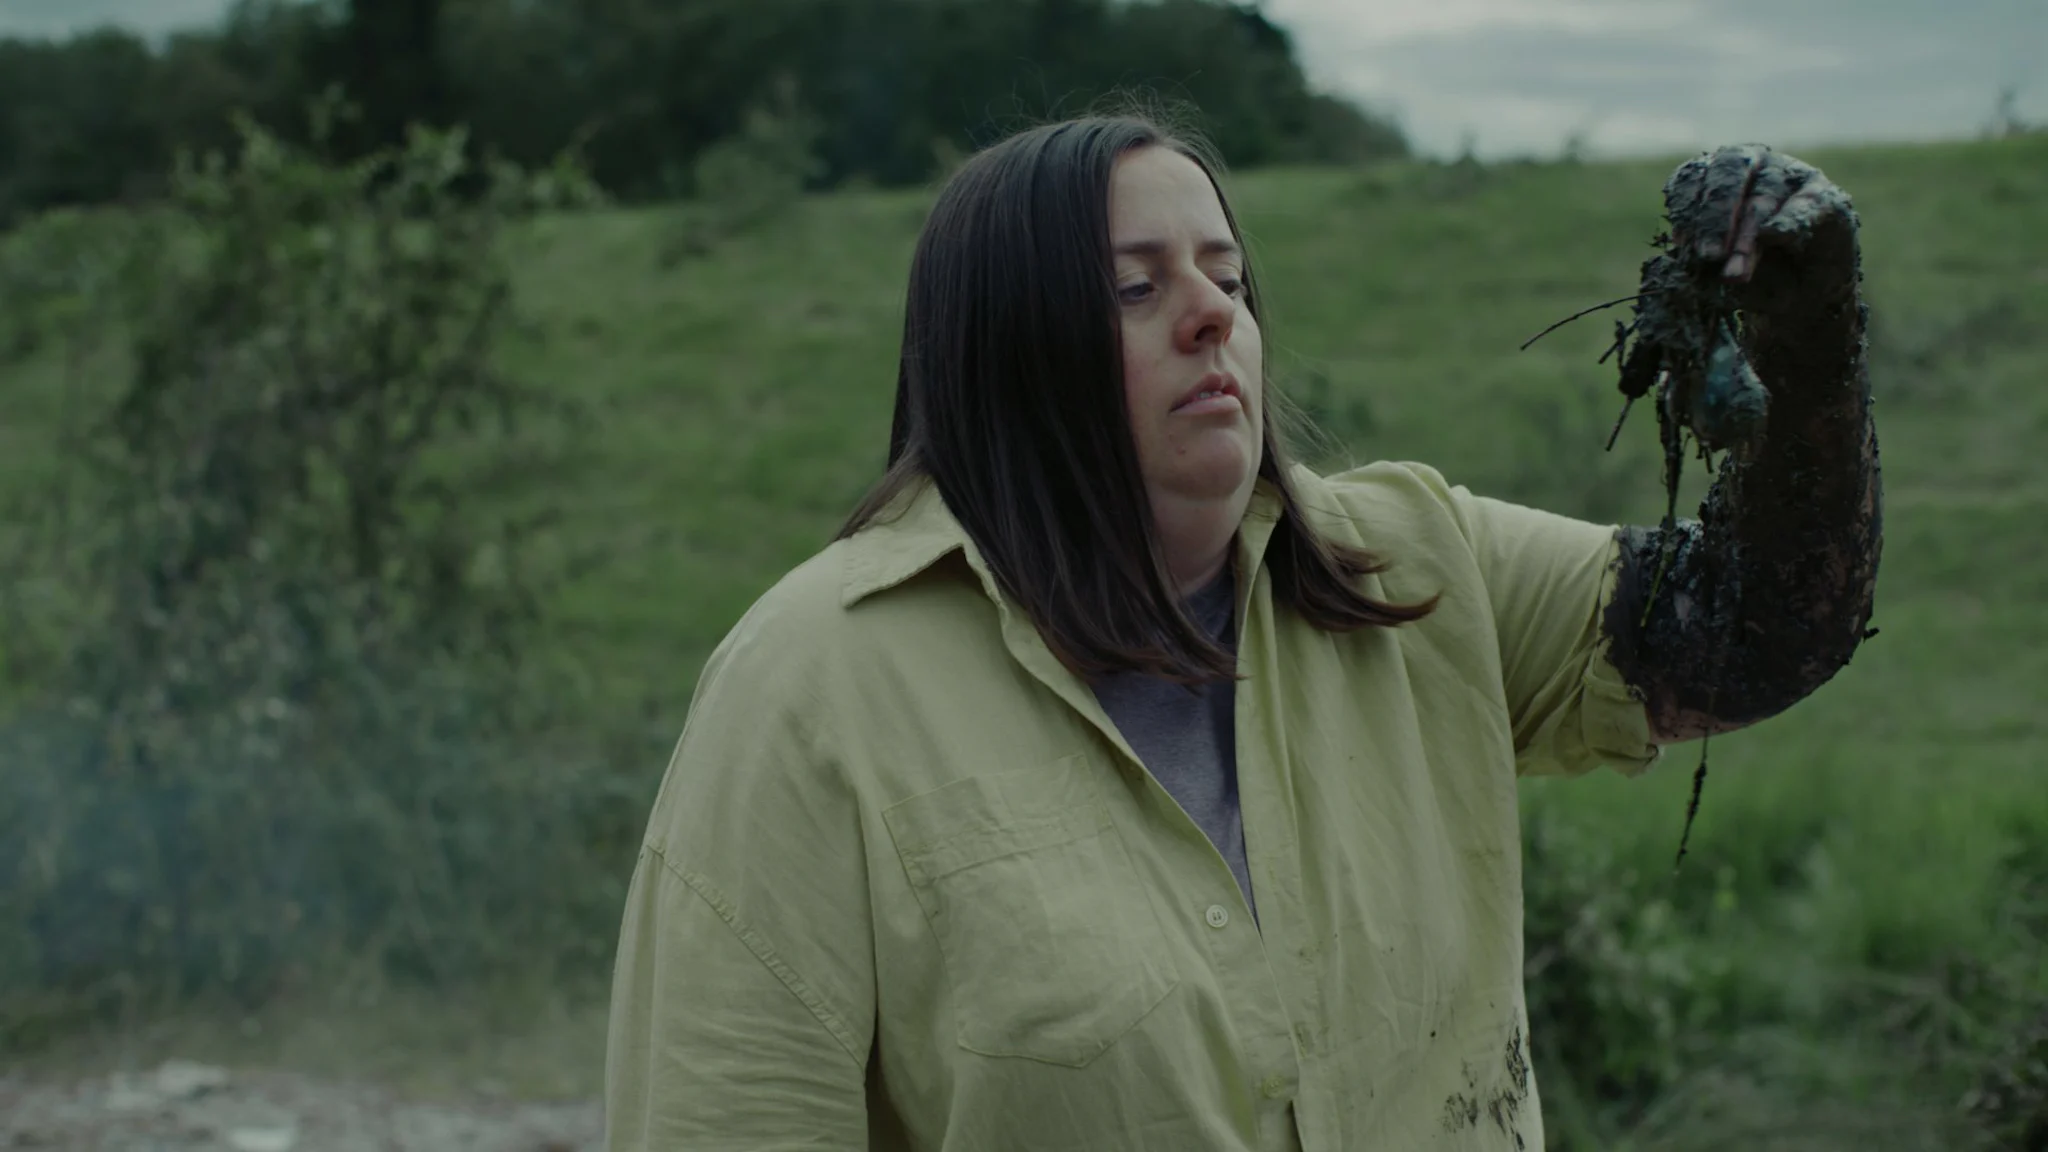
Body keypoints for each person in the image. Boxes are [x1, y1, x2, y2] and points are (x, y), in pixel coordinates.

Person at [602, 113, 1882, 1151]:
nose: (1211, 315)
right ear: (1006, 352)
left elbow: (1757, 625)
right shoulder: (815, 684)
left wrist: (1805, 344)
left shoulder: (1410, 568)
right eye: (1133, 287)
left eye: (1225, 276)